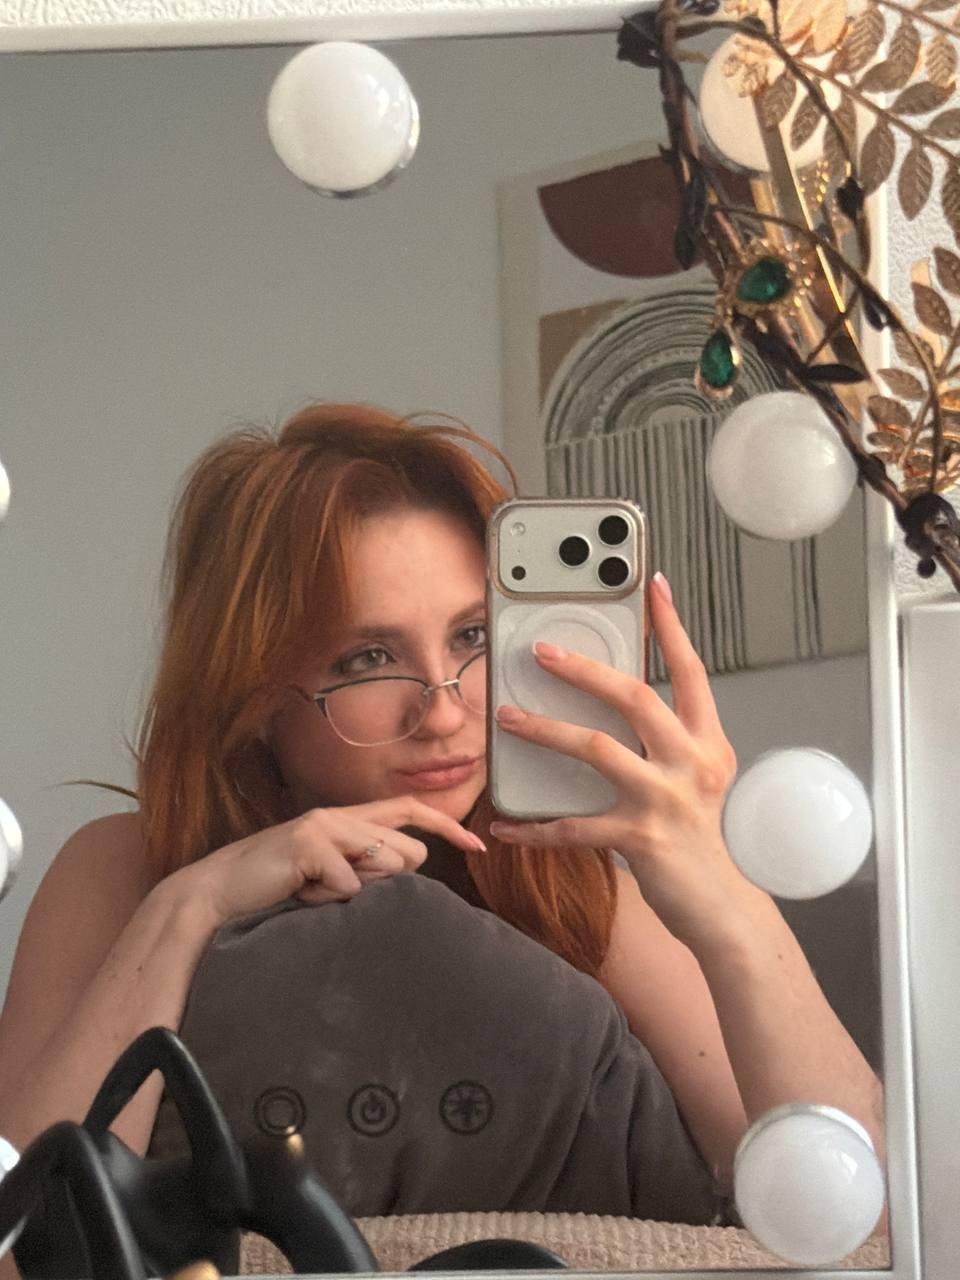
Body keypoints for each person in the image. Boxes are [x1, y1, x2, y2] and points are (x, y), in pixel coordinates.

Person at [0, 404, 884, 1241]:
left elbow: (861, 1218)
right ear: (254, 694)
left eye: (472, 637)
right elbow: (21, 1244)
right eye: (368, 656)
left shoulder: (567, 879)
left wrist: (721, 892)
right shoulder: (126, 867)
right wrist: (192, 905)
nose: (446, 711)